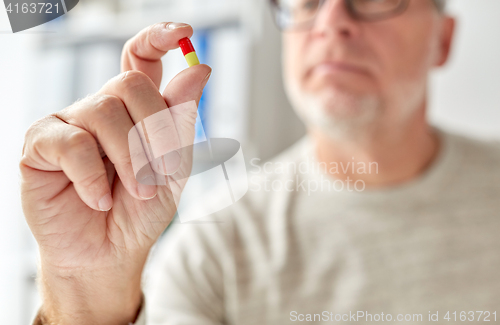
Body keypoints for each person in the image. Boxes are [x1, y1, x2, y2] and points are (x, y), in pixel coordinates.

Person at [22, 0, 500, 324]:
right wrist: (84, 291)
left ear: (443, 38)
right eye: (307, 1)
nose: (331, 20)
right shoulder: (212, 250)